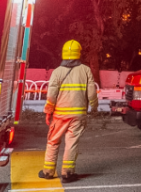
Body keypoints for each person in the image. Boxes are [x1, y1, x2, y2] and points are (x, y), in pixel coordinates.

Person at [40, 40, 98, 182]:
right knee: (71, 143)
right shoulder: (86, 70)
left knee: (53, 141)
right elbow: (92, 93)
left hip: (60, 115)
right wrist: (94, 107)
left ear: (64, 54)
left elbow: (51, 95)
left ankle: (48, 171)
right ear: (78, 53)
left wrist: (48, 112)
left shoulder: (57, 72)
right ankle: (67, 173)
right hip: (78, 115)